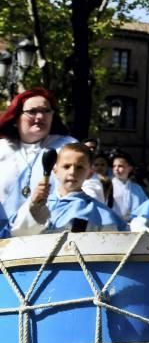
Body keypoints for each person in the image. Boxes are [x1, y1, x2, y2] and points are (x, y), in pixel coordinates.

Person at [0, 88, 77, 234]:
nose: (40, 116)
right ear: (17, 117)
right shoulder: (2, 149)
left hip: (49, 234)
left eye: (46, 111)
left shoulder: (67, 148)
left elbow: (86, 186)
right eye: (33, 111)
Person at [6, 142, 126, 236]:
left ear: (89, 173)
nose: (72, 172)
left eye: (79, 167)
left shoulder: (100, 213)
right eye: (66, 166)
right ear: (55, 170)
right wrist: (35, 208)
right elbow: (18, 235)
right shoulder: (36, 203)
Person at [110, 150, 148, 222]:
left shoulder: (137, 188)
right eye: (114, 166)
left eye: (120, 166)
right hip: (113, 225)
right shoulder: (108, 186)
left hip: (133, 225)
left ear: (130, 168)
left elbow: (145, 207)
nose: (116, 169)